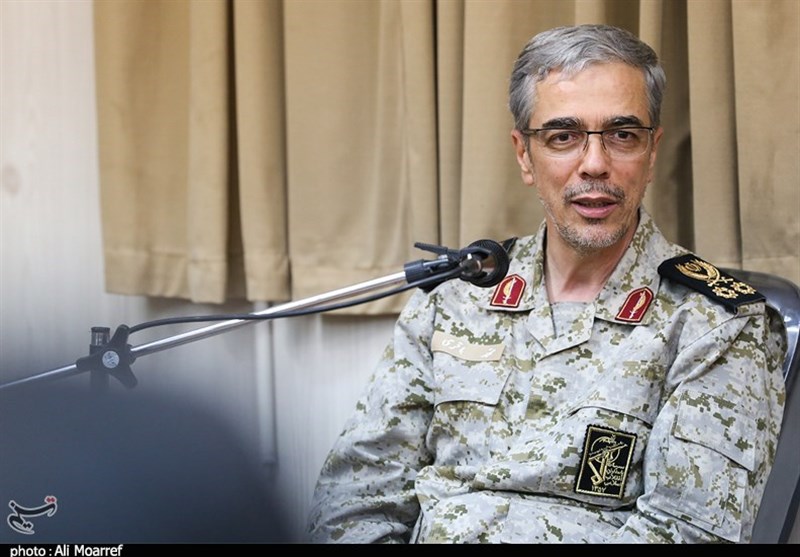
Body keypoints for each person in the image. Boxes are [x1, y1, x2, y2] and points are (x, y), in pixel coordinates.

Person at [305, 24, 788, 544]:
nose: (595, 164)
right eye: (564, 137)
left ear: (651, 153)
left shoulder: (716, 326)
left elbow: (688, 533)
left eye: (623, 135)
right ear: (524, 155)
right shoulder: (456, 298)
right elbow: (355, 498)